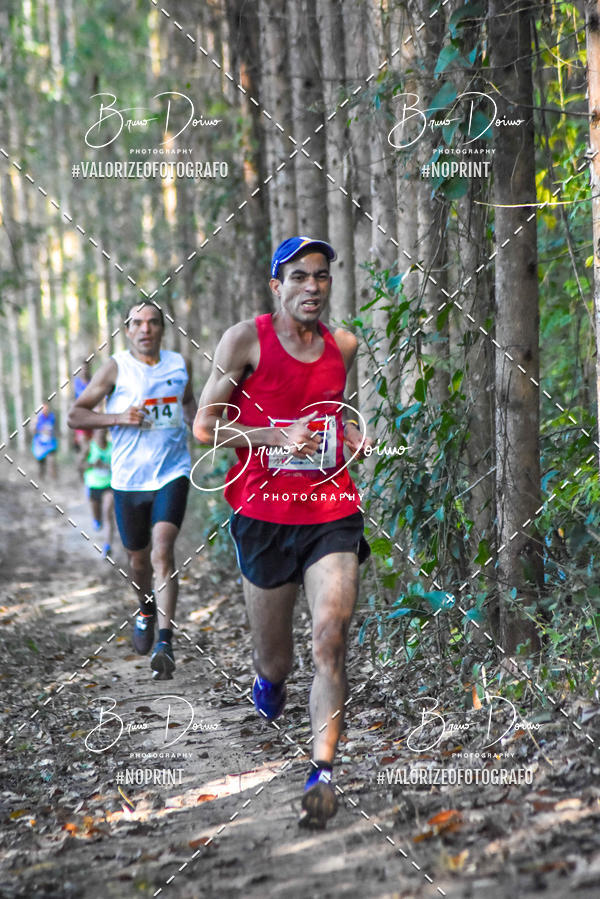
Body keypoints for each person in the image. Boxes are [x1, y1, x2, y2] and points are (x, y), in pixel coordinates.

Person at [193, 236, 371, 828]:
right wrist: (273, 439)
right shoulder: (246, 340)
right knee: (277, 663)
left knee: (329, 638)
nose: (312, 287)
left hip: (330, 511)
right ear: (277, 285)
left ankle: (321, 773)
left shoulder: (343, 345)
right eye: (299, 277)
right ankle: (267, 683)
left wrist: (351, 439)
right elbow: (204, 428)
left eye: (321, 276)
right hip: (263, 516)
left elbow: (340, 418)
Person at [68, 302, 196, 680]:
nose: (146, 329)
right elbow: (76, 414)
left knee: (162, 551)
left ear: (162, 329)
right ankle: (145, 608)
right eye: (138, 323)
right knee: (138, 562)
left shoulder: (178, 365)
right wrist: (117, 417)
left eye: (153, 323)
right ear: (127, 330)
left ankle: (165, 643)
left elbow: (188, 403)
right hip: (127, 480)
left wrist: (200, 423)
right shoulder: (115, 368)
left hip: (172, 472)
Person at [80, 428, 114, 558]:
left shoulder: (112, 447)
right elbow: (80, 465)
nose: (100, 434)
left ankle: (107, 546)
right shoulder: (89, 447)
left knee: (108, 514)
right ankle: (96, 519)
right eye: (97, 432)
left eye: (103, 432)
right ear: (94, 433)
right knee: (98, 518)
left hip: (109, 485)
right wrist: (91, 464)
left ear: (106, 433)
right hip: (93, 485)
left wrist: (109, 466)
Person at [32, 402, 58, 479]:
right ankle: (41, 477)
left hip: (50, 443)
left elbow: (55, 429)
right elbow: (33, 430)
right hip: (40, 444)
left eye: (47, 409)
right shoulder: (37, 418)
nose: (46, 410)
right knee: (41, 462)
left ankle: (54, 479)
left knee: (51, 461)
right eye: (44, 409)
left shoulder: (52, 417)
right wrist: (41, 430)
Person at [73, 361, 93, 454]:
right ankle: (80, 466)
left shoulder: (93, 381)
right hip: (80, 416)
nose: (84, 370)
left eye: (86, 368)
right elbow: (72, 400)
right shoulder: (76, 383)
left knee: (91, 444)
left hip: (92, 416)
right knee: (83, 445)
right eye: (82, 368)